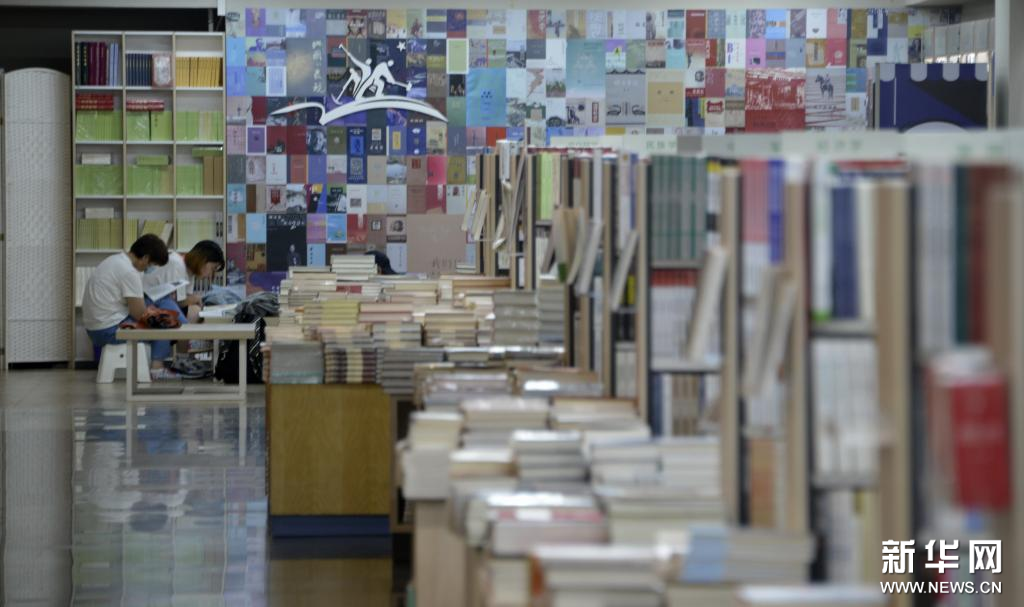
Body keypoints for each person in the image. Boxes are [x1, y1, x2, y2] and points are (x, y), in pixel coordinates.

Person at [82, 234, 174, 379]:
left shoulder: (115, 260)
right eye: (151, 265)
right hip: (108, 330)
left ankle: (158, 364)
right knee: (163, 324)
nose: (149, 269)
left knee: (157, 310)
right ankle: (157, 369)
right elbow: (139, 314)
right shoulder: (129, 272)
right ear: (145, 258)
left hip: (96, 327)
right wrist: (163, 317)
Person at [143, 240, 225, 377]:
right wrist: (195, 299)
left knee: (193, 312)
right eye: (212, 268)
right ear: (203, 260)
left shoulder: (188, 272)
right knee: (176, 316)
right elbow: (175, 301)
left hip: (157, 303)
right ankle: (159, 367)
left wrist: (194, 300)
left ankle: (182, 357)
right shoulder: (176, 264)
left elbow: (180, 301)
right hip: (145, 304)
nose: (210, 275)